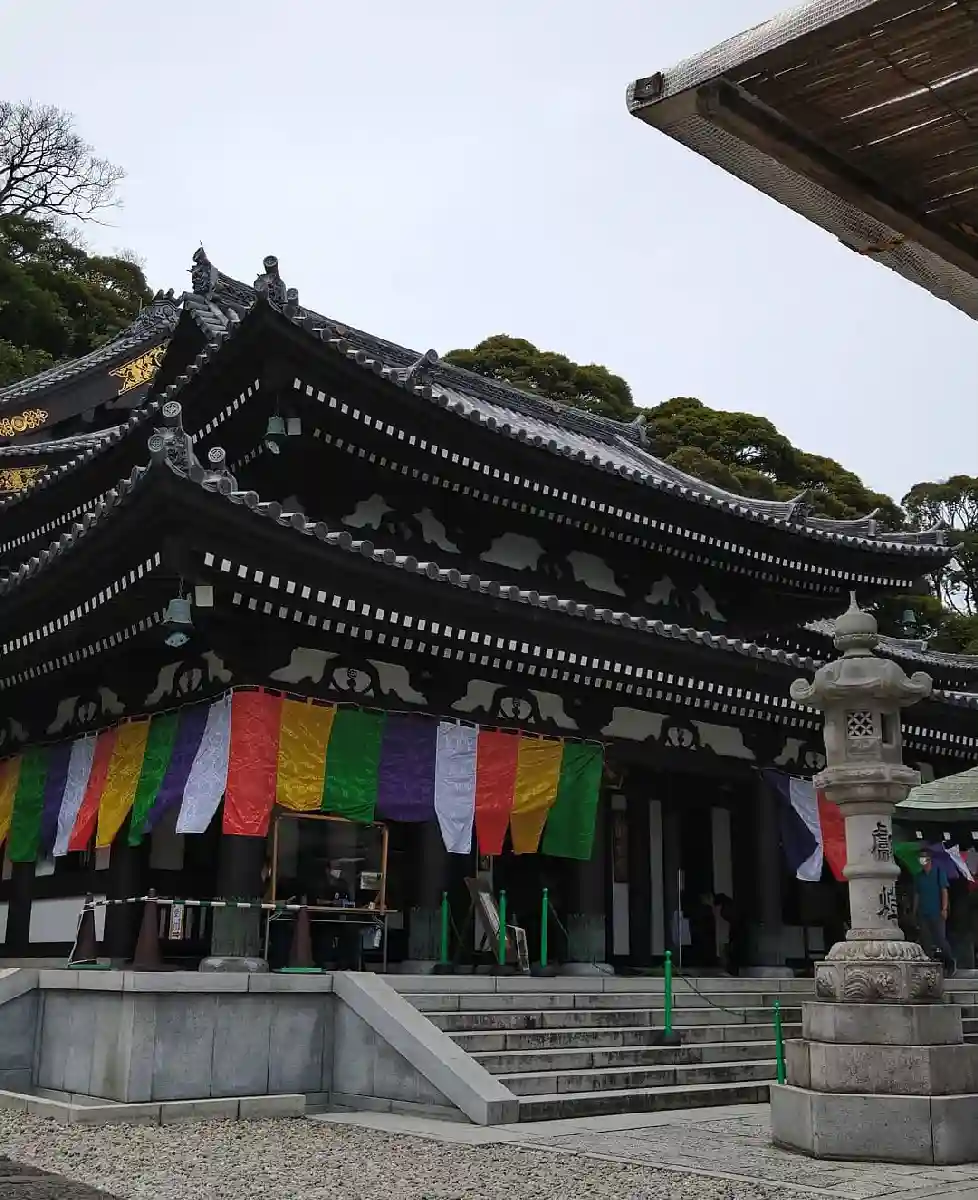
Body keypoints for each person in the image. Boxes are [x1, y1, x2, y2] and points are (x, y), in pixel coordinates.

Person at [913, 851, 956, 976]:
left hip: (937, 912)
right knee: (925, 941)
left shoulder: (938, 873)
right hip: (923, 913)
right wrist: (914, 911)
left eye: (924, 857)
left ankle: (950, 962)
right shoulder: (918, 876)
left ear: (929, 859)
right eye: (920, 858)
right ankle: (930, 967)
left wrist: (944, 909)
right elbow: (917, 895)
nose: (922, 860)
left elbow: (944, 891)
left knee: (940, 940)